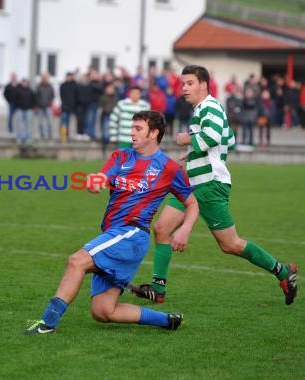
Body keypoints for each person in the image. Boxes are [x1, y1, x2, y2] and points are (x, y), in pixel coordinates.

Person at [130, 65, 298, 306]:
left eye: (189, 83)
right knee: (162, 229)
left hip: (209, 184)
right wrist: (196, 154)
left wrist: (186, 140)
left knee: (230, 244)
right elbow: (229, 138)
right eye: (182, 83)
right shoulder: (203, 109)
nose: (184, 88)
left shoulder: (210, 106)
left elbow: (214, 137)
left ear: (203, 85)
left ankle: (283, 272)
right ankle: (158, 289)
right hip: (192, 183)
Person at [24, 110, 198, 334]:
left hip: (132, 234)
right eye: (132, 128)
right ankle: (168, 321)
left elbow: (192, 203)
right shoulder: (122, 157)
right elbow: (102, 177)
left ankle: (46, 324)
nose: (132, 133)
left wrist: (185, 229)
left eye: (138, 129)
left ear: (154, 133)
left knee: (77, 261)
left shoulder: (169, 167)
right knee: (103, 311)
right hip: (115, 234)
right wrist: (94, 182)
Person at [35, 72, 55, 141]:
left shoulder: (50, 86)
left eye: (46, 77)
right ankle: (42, 136)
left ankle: (50, 136)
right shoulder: (39, 86)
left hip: (48, 107)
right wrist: (38, 105)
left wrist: (49, 102)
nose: (44, 79)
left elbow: (52, 96)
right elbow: (36, 96)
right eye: (43, 77)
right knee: (40, 123)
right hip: (40, 107)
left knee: (50, 123)